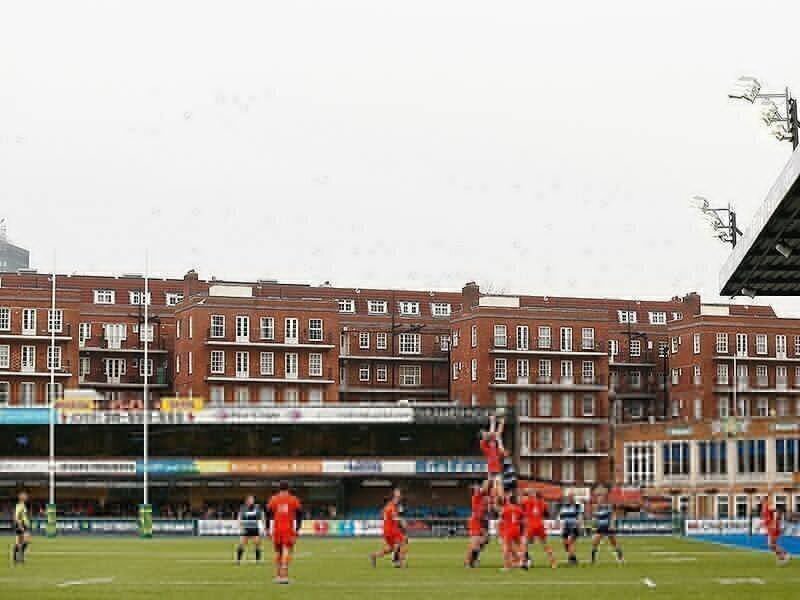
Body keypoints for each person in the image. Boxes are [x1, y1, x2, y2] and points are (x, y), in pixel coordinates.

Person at [266, 481, 303, 584]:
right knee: (287, 550)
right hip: (288, 529)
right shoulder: (293, 499)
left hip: (277, 529)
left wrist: (268, 529)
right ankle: (285, 576)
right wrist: (298, 528)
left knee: (278, 552)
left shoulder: (274, 498)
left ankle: (278, 576)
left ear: (279, 488)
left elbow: (268, 514)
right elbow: (300, 514)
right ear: (288, 488)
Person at [370, 488, 409, 568]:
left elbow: (384, 514)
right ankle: (401, 563)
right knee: (404, 541)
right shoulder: (392, 507)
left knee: (391, 548)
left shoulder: (388, 506)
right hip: (391, 530)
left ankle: (374, 556)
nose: (399, 500)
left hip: (386, 530)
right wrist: (402, 520)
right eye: (397, 498)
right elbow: (395, 518)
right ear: (394, 498)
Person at [521, 489, 557, 569]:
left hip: (530, 525)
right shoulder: (543, 503)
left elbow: (522, 505)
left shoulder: (528, 501)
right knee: (545, 544)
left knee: (524, 543)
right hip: (540, 525)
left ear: (534, 495)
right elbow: (547, 514)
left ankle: (523, 562)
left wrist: (527, 494)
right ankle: (553, 562)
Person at [589, 490, 623, 564]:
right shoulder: (596, 508)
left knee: (614, 543)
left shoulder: (608, 507)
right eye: (598, 500)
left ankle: (620, 557)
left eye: (601, 499)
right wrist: (593, 526)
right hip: (600, 528)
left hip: (608, 527)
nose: (599, 501)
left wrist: (612, 525)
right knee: (595, 543)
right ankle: (593, 560)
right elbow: (595, 519)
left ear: (603, 500)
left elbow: (612, 516)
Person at [464, 483, 490, 568]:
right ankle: (469, 562)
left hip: (482, 521)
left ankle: (474, 558)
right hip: (476, 521)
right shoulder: (477, 496)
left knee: (485, 540)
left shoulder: (484, 498)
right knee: (475, 543)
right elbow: (485, 486)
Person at [479, 416, 505, 501]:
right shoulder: (483, 443)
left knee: (497, 485)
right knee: (494, 484)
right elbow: (492, 433)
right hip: (492, 469)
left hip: (496, 468)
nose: (485, 433)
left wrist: (501, 423)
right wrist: (493, 422)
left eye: (485, 432)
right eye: (483, 434)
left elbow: (497, 434)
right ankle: (491, 495)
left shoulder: (493, 443)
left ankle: (499, 498)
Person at [761, 498, 791, 566]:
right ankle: (782, 556)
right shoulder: (764, 507)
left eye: (763, 500)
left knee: (771, 545)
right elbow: (766, 518)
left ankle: (785, 555)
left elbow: (774, 512)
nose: (762, 501)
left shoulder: (768, 506)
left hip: (773, 528)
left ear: (765, 500)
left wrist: (776, 521)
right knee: (772, 545)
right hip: (770, 528)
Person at [498, 493, 524, 570]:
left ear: (509, 500)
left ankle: (506, 566)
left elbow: (501, 518)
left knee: (506, 547)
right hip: (517, 529)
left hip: (508, 529)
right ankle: (522, 562)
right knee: (520, 546)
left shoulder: (506, 508)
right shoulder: (518, 508)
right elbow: (522, 519)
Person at [236, 495, 264, 564]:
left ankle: (258, 560)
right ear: (247, 501)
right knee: (241, 544)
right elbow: (239, 517)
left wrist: (263, 525)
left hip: (255, 528)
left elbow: (262, 515)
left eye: (252, 499)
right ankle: (238, 560)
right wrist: (241, 527)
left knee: (257, 544)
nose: (251, 501)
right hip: (246, 528)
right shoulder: (243, 508)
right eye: (250, 499)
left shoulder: (257, 507)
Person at [559, 493, 583, 566]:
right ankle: (572, 557)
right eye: (569, 497)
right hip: (566, 527)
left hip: (574, 526)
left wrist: (579, 525)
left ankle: (573, 560)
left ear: (573, 498)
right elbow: (561, 517)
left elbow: (580, 516)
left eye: (572, 497)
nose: (570, 498)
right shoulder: (564, 506)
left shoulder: (577, 506)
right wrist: (561, 524)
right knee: (565, 544)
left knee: (570, 542)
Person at [12, 491, 31, 565]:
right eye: (25, 496)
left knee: (22, 542)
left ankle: (18, 557)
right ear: (21, 498)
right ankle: (18, 557)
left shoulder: (23, 505)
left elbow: (23, 516)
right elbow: (16, 517)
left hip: (23, 525)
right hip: (21, 525)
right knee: (24, 541)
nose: (26, 497)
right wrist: (21, 526)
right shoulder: (19, 506)